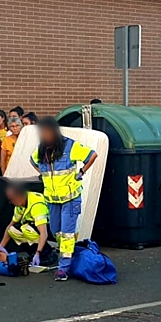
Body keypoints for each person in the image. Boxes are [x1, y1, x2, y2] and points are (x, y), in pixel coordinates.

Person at [32, 116, 97, 282]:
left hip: (70, 198)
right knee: (56, 231)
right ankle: (69, 255)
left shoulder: (70, 145)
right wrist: (43, 175)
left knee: (67, 234)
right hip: (53, 199)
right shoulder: (42, 149)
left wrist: (81, 173)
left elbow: (92, 155)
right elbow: (32, 160)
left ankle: (64, 268)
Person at [1, 181, 54, 267]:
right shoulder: (19, 205)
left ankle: (46, 253)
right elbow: (10, 226)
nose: (11, 202)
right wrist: (0, 248)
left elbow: (44, 233)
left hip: (48, 228)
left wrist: (38, 253)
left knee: (26, 229)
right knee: (12, 230)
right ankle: (32, 253)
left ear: (18, 196)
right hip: (34, 227)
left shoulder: (37, 205)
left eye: (11, 199)